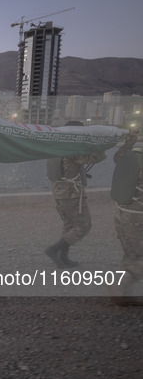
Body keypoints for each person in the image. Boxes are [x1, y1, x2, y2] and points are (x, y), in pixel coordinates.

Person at [45, 122, 107, 268]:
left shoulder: (56, 146)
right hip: (70, 193)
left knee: (69, 225)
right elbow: (93, 158)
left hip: (59, 192)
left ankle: (63, 258)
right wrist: (102, 145)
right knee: (83, 225)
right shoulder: (71, 148)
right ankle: (54, 250)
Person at [109, 129, 143, 306]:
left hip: (122, 214)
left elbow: (117, 156)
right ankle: (120, 288)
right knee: (139, 258)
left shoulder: (132, 157)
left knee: (131, 254)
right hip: (138, 218)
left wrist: (129, 141)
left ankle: (125, 293)